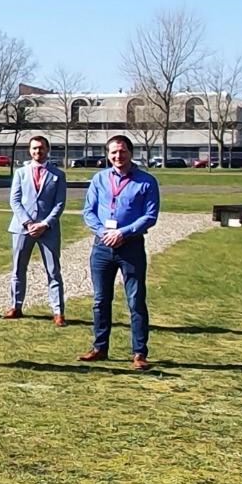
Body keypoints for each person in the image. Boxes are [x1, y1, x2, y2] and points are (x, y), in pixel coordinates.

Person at [79, 135, 160, 370]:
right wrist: (102, 231)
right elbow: (88, 211)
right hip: (102, 246)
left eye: (122, 151)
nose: (118, 156)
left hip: (130, 246)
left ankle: (139, 353)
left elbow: (150, 216)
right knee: (100, 299)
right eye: (113, 152)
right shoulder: (99, 179)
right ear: (107, 154)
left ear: (131, 152)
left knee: (135, 300)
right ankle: (99, 347)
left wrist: (123, 232)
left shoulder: (146, 181)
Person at [5, 135, 66, 325]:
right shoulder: (21, 173)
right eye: (34, 148)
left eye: (41, 148)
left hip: (48, 229)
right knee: (18, 268)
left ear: (47, 149)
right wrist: (28, 223)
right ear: (29, 151)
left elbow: (60, 203)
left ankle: (58, 312)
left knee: (53, 270)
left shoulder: (58, 175)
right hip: (22, 228)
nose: (37, 151)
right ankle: (16, 305)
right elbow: (14, 200)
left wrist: (44, 224)